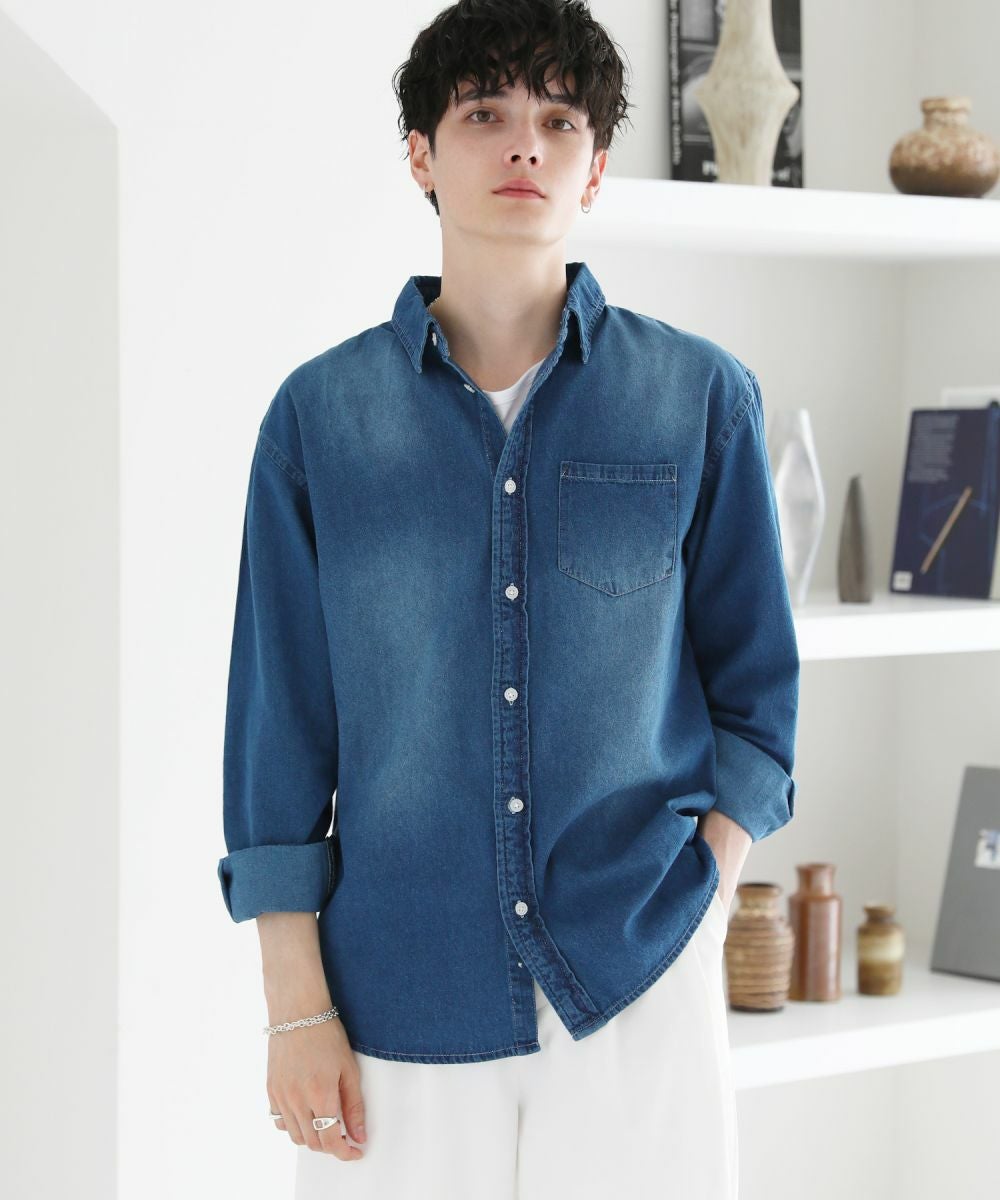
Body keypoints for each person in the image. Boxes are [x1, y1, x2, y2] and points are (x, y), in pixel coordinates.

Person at [216, 2, 799, 1197]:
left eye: (560, 119)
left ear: (595, 168)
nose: (525, 142)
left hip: (637, 982)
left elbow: (757, 696)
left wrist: (705, 889)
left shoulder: (696, 398)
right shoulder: (320, 422)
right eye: (484, 113)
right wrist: (294, 1011)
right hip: (395, 996)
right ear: (421, 156)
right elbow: (280, 733)